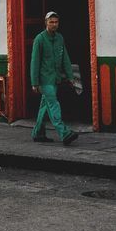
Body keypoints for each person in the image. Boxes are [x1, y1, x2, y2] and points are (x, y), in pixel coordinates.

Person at [29, 11, 79, 146]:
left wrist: (70, 76)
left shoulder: (60, 38)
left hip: (55, 78)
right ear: (46, 23)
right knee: (53, 104)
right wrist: (34, 82)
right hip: (45, 79)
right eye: (51, 22)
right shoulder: (39, 39)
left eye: (56, 22)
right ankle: (64, 132)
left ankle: (38, 133)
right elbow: (35, 61)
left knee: (45, 107)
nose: (54, 24)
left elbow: (65, 58)